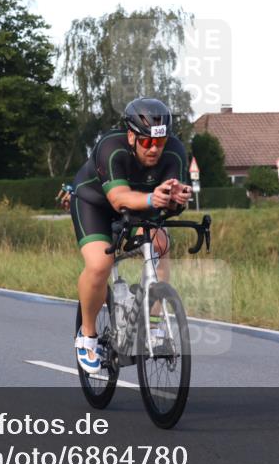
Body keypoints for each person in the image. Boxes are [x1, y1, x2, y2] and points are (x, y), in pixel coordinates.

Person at [66, 97, 193, 373]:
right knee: (100, 263)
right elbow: (118, 198)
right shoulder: (111, 147)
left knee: (159, 244)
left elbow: (172, 197)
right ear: (131, 136)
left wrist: (177, 199)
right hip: (95, 203)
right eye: (147, 142)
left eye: (160, 142)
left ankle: (156, 327)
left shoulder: (174, 152)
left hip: (143, 202)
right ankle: (87, 336)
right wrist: (154, 199)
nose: (154, 149)